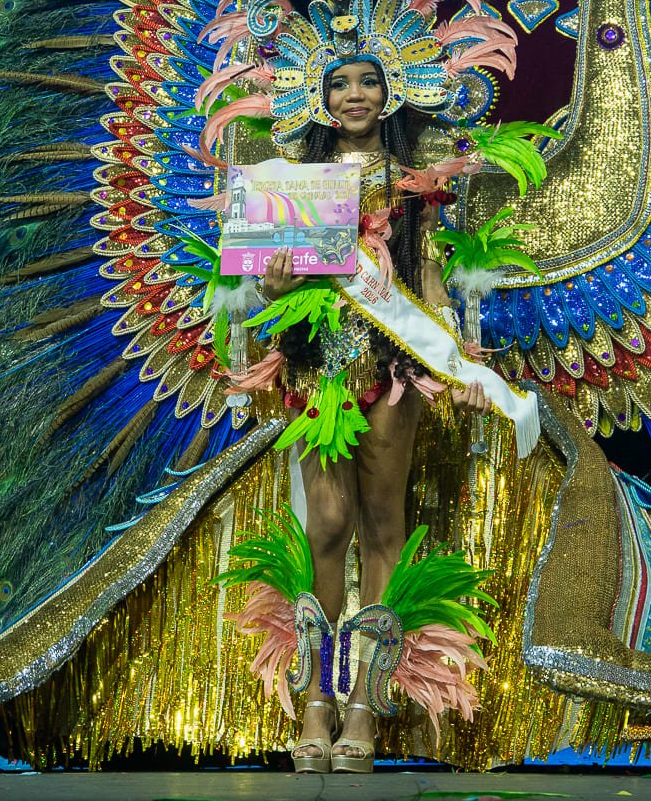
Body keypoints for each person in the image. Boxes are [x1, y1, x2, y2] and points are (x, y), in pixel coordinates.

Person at [259, 57, 493, 773]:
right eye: (339, 84)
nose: (353, 95)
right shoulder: (294, 179)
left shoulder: (415, 182)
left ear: (390, 93)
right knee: (328, 524)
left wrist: (459, 359)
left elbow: (429, 277)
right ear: (320, 96)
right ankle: (316, 699)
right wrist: (274, 282)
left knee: (383, 522)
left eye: (366, 82)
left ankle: (362, 699)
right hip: (316, 362)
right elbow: (267, 281)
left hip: (392, 364)